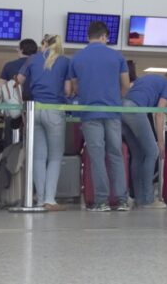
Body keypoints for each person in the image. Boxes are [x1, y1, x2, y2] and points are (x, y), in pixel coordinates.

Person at [69, 21, 131, 212]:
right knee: (115, 155)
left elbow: (75, 87)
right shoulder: (117, 56)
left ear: (89, 37)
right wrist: (114, 98)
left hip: (89, 113)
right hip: (112, 112)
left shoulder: (77, 58)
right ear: (104, 36)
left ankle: (101, 201)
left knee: (96, 156)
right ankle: (121, 200)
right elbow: (126, 85)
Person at [17, 34, 71, 211]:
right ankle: (50, 199)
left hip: (35, 110)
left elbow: (19, 80)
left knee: (38, 157)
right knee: (55, 157)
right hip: (55, 111)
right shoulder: (64, 61)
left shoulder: (32, 59)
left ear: (44, 44)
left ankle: (40, 200)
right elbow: (68, 89)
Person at [121, 70, 167, 209]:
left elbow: (129, 87)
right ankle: (148, 199)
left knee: (138, 154)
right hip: (135, 109)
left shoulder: (147, 79)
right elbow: (159, 114)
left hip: (122, 107)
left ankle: (139, 197)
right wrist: (161, 142)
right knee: (152, 152)